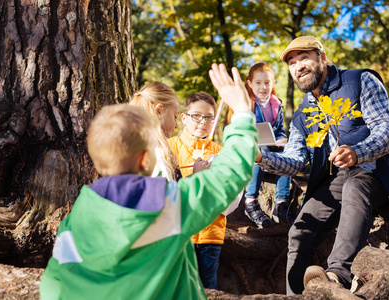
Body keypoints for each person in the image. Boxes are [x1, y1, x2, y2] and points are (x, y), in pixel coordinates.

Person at [39, 63, 258, 300]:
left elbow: (55, 284)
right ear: (145, 159)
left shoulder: (77, 216)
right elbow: (229, 174)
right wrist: (243, 115)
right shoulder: (167, 204)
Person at [255, 36, 389, 295]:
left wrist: (358, 152)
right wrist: (260, 158)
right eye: (291, 63)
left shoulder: (360, 81)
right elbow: (295, 161)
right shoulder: (303, 114)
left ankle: (335, 277)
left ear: (322, 57)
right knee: (298, 233)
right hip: (338, 179)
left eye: (304, 58)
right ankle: (295, 294)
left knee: (355, 184)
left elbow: (387, 129)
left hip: (379, 170)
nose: (298, 66)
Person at [168, 92, 226, 289]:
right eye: (197, 116)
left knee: (208, 287)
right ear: (184, 118)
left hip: (211, 233)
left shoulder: (220, 152)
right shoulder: (170, 147)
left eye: (209, 117)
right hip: (181, 233)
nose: (203, 122)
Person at [240, 62, 293, 228]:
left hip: (272, 148)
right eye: (258, 83)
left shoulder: (276, 104)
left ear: (273, 83)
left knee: (288, 152)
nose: (263, 87)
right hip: (250, 149)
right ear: (249, 83)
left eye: (267, 83)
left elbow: (280, 132)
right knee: (260, 148)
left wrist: (282, 140)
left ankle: (281, 203)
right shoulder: (246, 104)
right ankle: (251, 201)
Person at [129, 82, 181, 181]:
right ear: (159, 110)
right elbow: (165, 194)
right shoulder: (156, 153)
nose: (176, 126)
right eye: (175, 116)